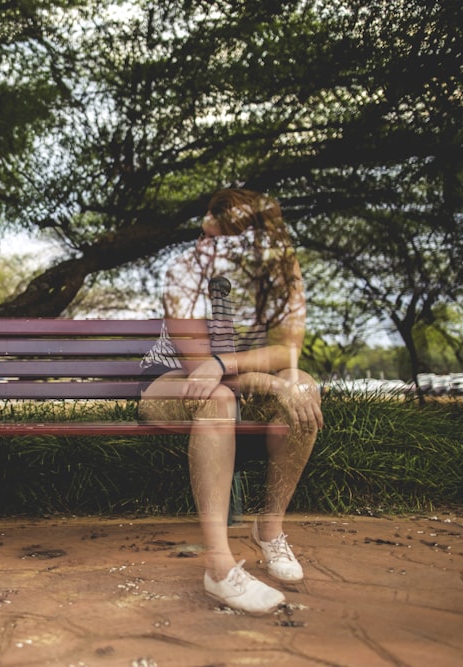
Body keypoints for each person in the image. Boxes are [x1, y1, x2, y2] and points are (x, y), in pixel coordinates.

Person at [139, 188, 323, 615]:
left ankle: (270, 528)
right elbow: (198, 369)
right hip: (172, 383)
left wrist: (259, 374)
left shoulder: (282, 272)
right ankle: (219, 566)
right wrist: (266, 380)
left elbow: (288, 349)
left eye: (218, 241)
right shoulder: (184, 272)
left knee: (304, 386)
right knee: (219, 399)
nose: (204, 247)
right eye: (204, 235)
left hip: (237, 375)